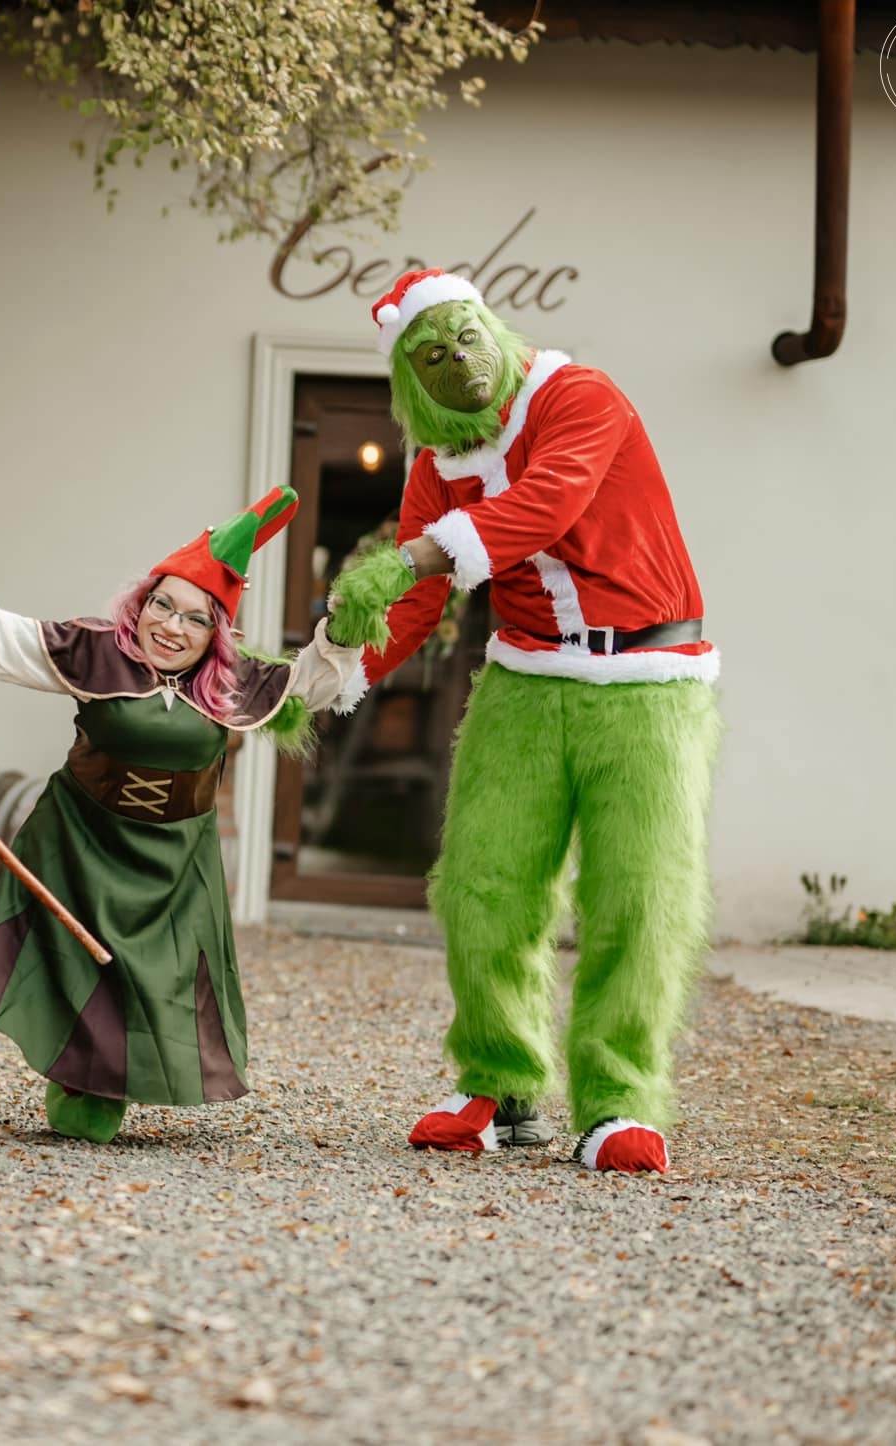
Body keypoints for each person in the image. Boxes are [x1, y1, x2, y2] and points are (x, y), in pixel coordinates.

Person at [324, 268, 721, 1174]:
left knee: (641, 893)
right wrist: (325, 674)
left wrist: (412, 554)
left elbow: (546, 504)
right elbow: (420, 605)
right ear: (410, 380)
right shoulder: (433, 463)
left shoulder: (580, 397)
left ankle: (621, 1101)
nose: (456, 363)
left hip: (651, 680)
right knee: (482, 882)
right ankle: (499, 1083)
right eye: (431, 356)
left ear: (491, 327)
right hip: (524, 681)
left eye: (464, 338)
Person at [0, 487, 362, 1143]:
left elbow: (317, 682)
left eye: (193, 618)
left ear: (217, 632)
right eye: (163, 605)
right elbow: (8, 640)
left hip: (175, 859)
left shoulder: (236, 681)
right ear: (142, 602)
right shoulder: (97, 650)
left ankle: (92, 1083)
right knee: (34, 929)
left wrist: (346, 629)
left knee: (147, 971)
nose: (171, 626)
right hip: (80, 833)